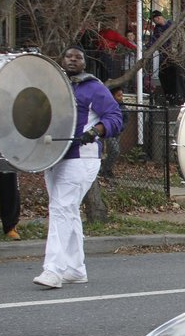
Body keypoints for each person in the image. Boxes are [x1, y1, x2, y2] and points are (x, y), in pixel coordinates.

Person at [33, 46, 123, 289]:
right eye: (68, 56)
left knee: (62, 207)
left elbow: (115, 117)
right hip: (54, 156)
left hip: (81, 157)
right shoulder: (54, 85)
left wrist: (95, 132)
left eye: (78, 57)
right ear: (61, 60)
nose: (73, 60)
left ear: (85, 62)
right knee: (67, 210)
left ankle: (53, 270)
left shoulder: (93, 87)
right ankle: (75, 268)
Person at [100, 86, 129, 179]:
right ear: (112, 96)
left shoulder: (123, 107)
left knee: (112, 152)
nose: (121, 98)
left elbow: (126, 120)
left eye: (122, 95)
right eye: (118, 95)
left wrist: (120, 128)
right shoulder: (109, 106)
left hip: (118, 133)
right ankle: (105, 169)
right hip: (109, 133)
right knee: (115, 151)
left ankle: (107, 169)